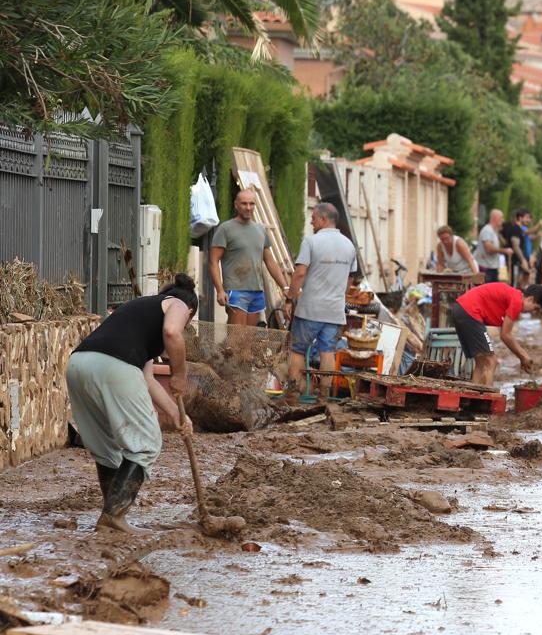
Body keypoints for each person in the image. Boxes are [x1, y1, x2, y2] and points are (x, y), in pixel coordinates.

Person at [66, 275, 197, 534]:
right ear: (190, 312)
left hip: (79, 364)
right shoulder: (180, 302)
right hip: (114, 366)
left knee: (107, 450)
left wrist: (175, 413)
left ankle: (110, 516)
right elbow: (172, 332)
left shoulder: (141, 309)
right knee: (146, 443)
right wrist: (179, 374)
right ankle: (114, 515)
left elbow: (147, 378)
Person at [284, 202, 358, 397]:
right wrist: (339, 296)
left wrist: (290, 298)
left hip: (310, 309)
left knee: (298, 350)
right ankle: (324, 395)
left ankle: (294, 393)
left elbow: (300, 273)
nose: (311, 221)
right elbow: (350, 278)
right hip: (334, 311)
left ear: (324, 219)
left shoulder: (311, 242)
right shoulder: (349, 245)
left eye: (314, 218)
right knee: (328, 351)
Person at [209, 188, 289, 326]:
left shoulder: (260, 230)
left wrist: (284, 287)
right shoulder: (225, 229)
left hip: (257, 291)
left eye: (251, 204)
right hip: (236, 289)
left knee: (249, 340)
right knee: (236, 339)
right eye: (244, 204)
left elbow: (270, 262)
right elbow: (213, 261)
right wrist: (220, 290)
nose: (248, 207)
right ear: (236, 205)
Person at [448, 281, 542, 386]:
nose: (533, 312)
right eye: (536, 308)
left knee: (481, 362)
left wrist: (521, 356)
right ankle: (485, 400)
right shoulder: (517, 301)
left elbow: (504, 332)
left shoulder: (513, 295)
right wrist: (524, 356)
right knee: (491, 361)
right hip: (470, 311)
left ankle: (473, 397)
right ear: (530, 299)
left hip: (460, 309)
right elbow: (505, 335)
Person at [396, 284, 432, 374]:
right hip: (405, 354)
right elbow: (409, 335)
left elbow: (422, 333)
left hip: (413, 352)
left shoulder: (418, 315)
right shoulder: (404, 313)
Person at [474, 209, 512, 283]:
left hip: (491, 267)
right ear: (495, 218)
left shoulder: (493, 231)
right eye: (501, 218)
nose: (503, 220)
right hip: (486, 268)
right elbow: (488, 248)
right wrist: (505, 250)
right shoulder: (487, 230)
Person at [504, 208, 534, 286]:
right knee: (513, 283)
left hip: (516, 262)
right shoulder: (515, 229)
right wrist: (523, 260)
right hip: (514, 262)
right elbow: (515, 246)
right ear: (520, 218)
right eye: (526, 217)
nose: (528, 220)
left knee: (518, 282)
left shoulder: (519, 229)